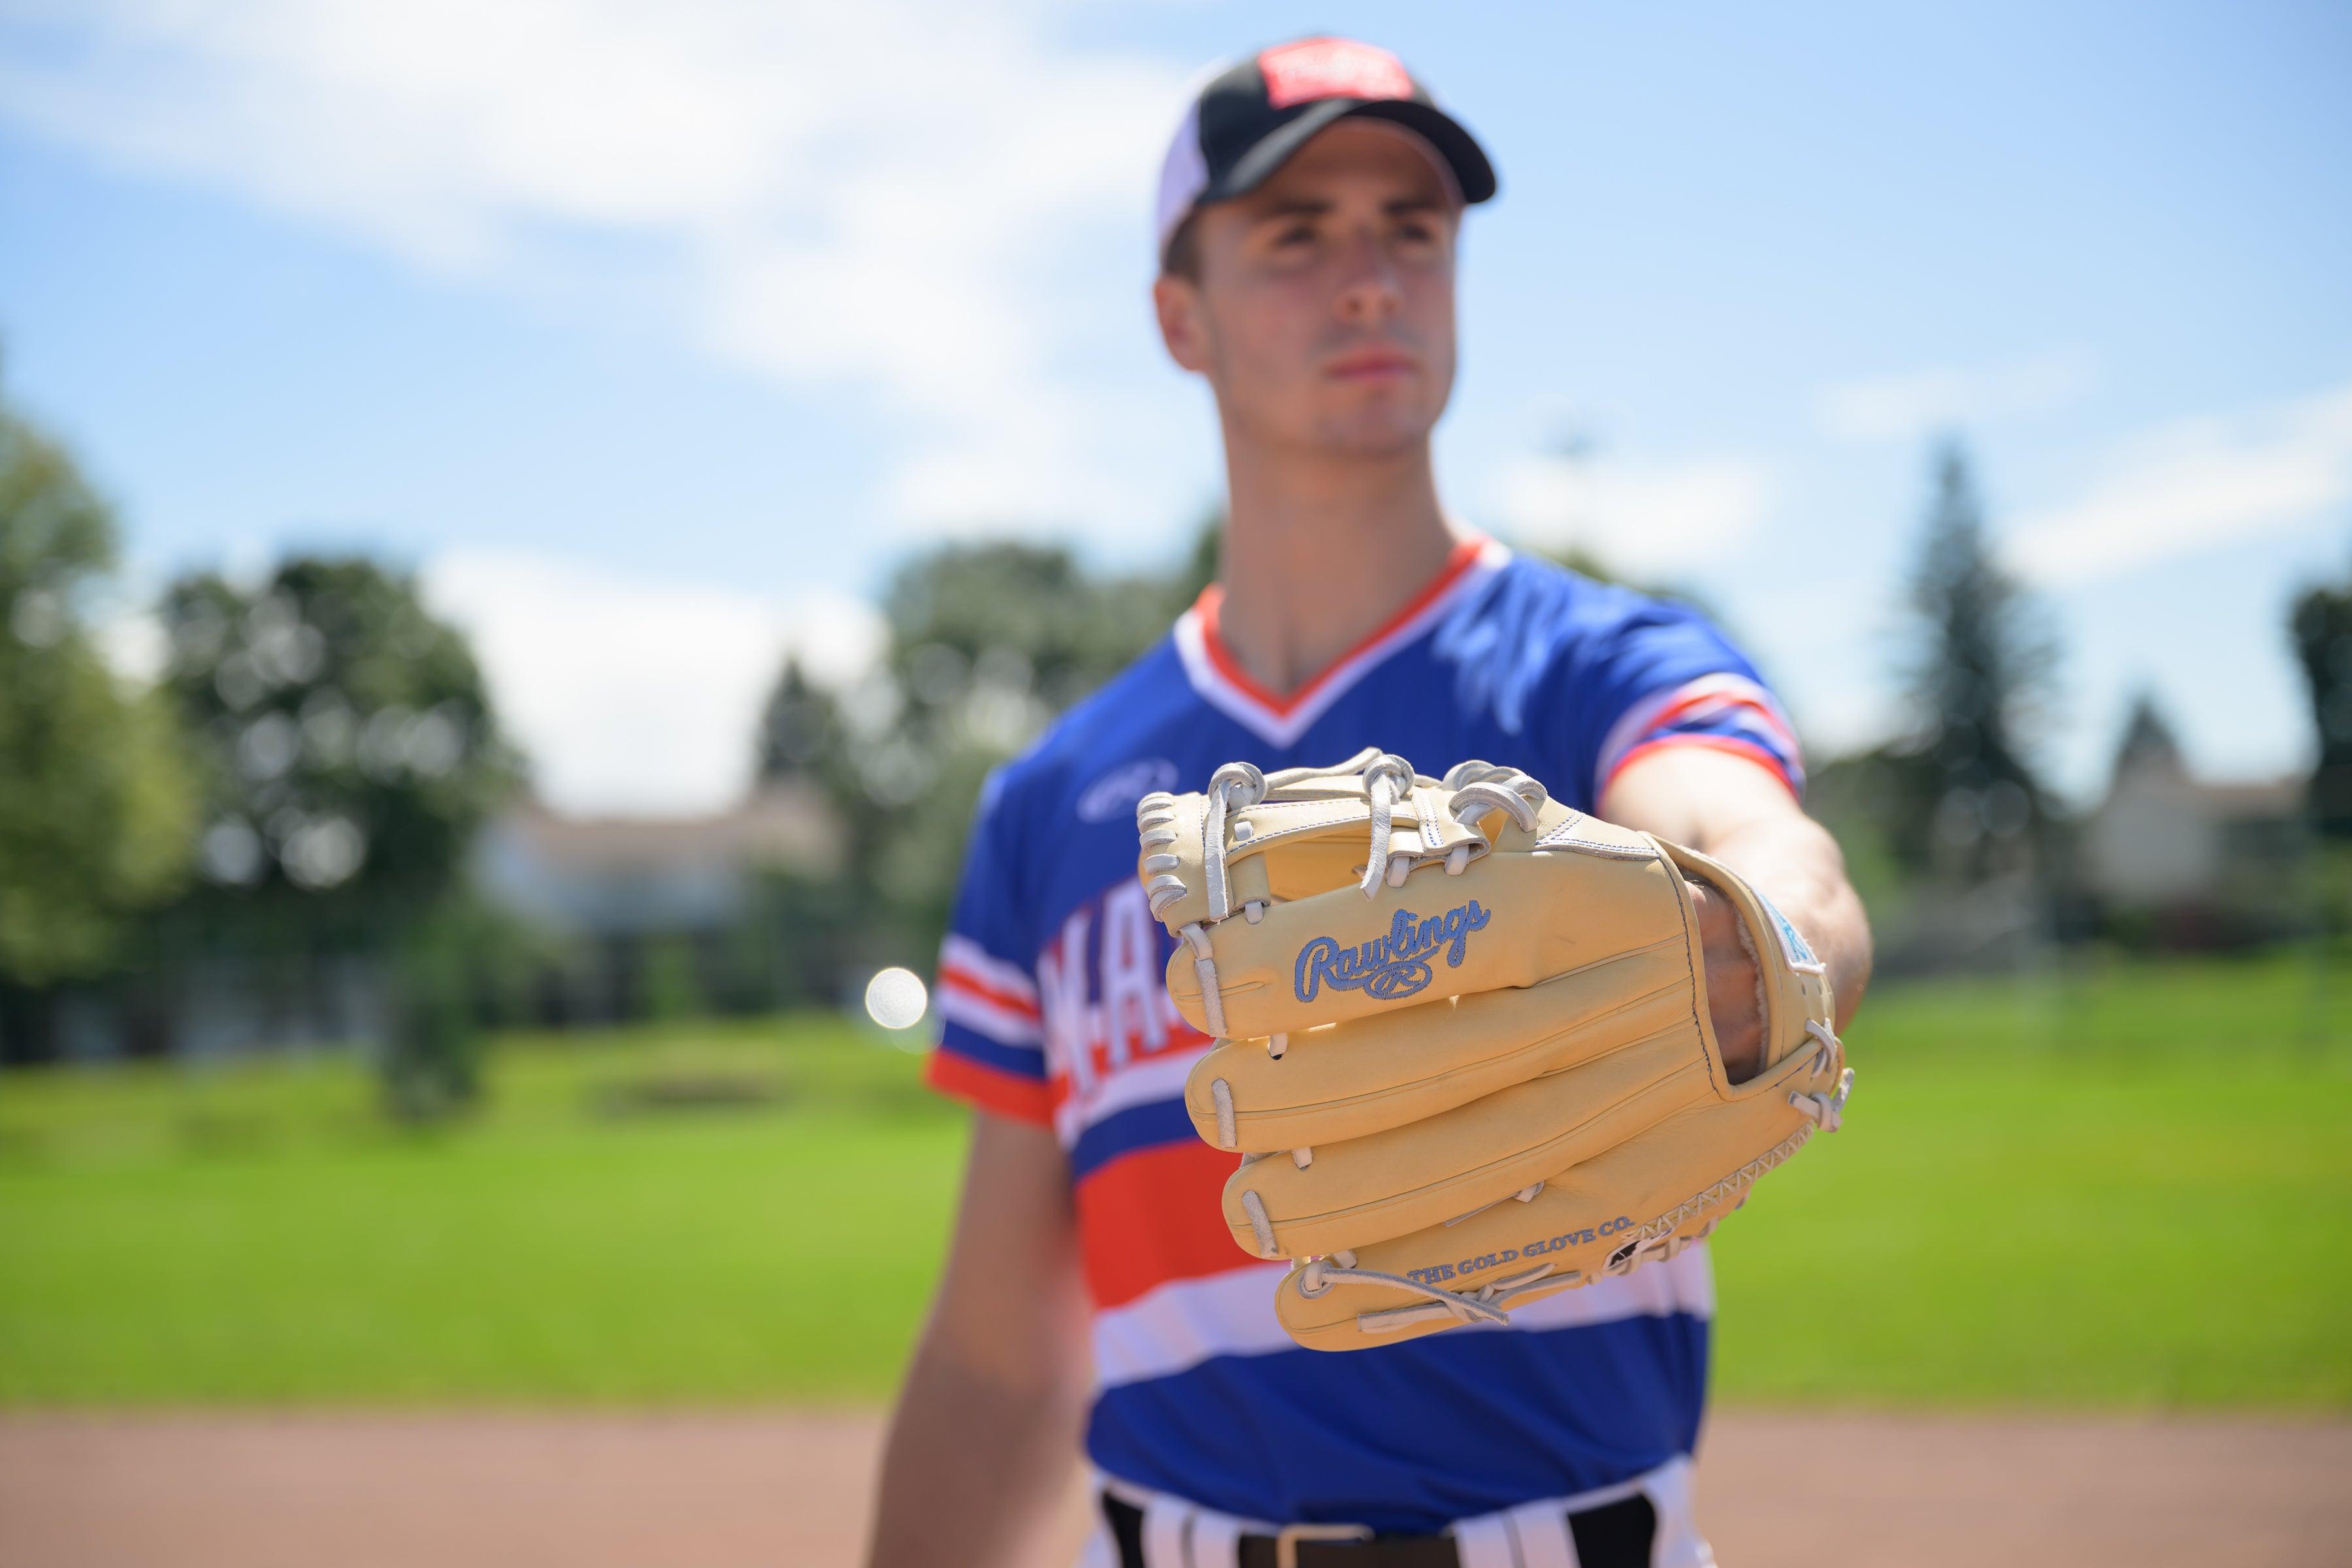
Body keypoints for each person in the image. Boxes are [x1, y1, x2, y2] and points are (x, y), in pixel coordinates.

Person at [866, 35, 1872, 1568]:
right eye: (1295, 233)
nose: (1369, 278)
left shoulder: (1600, 670)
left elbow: (1768, 854)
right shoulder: (1053, 805)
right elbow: (998, 1359)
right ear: (1177, 318)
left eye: (1414, 229)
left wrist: (1753, 951)